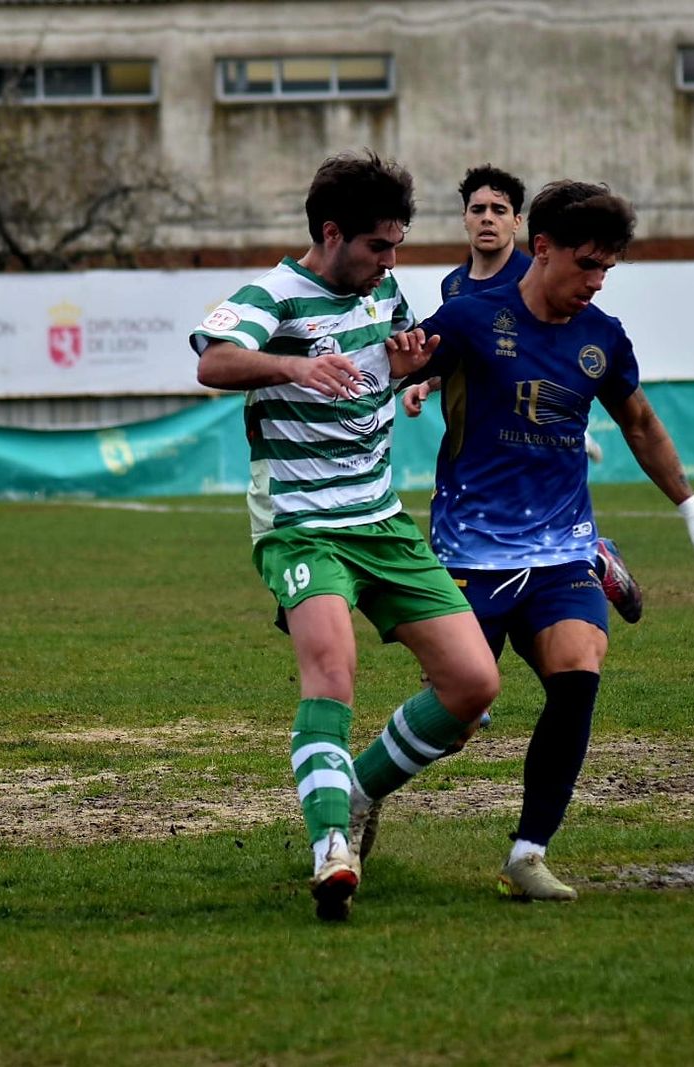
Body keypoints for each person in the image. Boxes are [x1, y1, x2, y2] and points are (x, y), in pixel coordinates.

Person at [347, 180, 694, 902]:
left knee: (579, 666)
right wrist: (405, 375)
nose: (596, 282)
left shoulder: (602, 336)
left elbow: (640, 424)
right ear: (544, 247)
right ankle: (359, 791)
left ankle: (528, 855)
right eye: (586, 264)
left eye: (607, 269)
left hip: (561, 549)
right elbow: (386, 376)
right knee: (459, 715)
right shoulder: (471, 317)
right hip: (470, 549)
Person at [190, 151, 500, 922]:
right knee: (332, 672)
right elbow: (215, 363)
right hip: (302, 525)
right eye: (376, 246)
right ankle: (331, 846)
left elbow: (384, 370)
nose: (389, 262)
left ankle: (354, 792)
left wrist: (408, 368)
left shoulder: (383, 290)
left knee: (473, 684)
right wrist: (293, 368)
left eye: (396, 246)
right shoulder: (273, 294)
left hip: (380, 518)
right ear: (331, 234)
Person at [403, 164, 645, 623]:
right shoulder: (454, 285)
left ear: (519, 223)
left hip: (534, 430)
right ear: (463, 217)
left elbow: (549, 350)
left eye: (499, 210)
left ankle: (583, 555)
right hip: (474, 432)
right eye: (477, 209)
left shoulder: (532, 273)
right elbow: (467, 351)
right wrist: (426, 381)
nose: (487, 218)